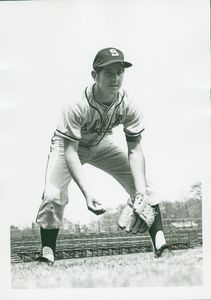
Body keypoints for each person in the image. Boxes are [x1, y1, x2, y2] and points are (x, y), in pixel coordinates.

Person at [36, 47, 173, 265]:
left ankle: (161, 244)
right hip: (68, 147)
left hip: (102, 144)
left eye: (119, 72)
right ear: (95, 75)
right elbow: (71, 152)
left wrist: (138, 194)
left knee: (146, 187)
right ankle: (46, 254)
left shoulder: (128, 104)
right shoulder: (76, 104)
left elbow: (135, 150)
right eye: (108, 72)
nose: (115, 78)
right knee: (53, 195)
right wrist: (88, 193)